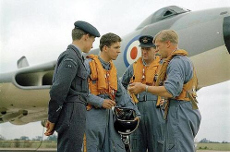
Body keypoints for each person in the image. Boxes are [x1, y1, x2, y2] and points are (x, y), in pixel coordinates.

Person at [128, 30, 201, 152]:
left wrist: (144, 87)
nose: (156, 50)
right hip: (184, 108)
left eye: (157, 46)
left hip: (180, 111)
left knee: (178, 148)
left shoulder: (176, 62)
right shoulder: (182, 61)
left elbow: (171, 90)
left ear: (168, 43)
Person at [44, 20, 100, 152]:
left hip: (75, 112)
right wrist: (52, 118)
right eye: (92, 40)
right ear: (85, 37)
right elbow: (58, 90)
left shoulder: (76, 57)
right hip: (72, 113)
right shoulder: (70, 57)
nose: (92, 45)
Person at [84, 32, 140, 152]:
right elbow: (79, 92)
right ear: (105, 48)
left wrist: (136, 114)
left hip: (109, 118)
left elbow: (122, 95)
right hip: (91, 117)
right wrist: (100, 102)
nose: (119, 51)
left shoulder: (112, 70)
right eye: (116, 47)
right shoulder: (88, 65)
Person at [121, 35, 165, 152]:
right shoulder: (133, 67)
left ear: (155, 49)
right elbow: (121, 86)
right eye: (143, 49)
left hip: (156, 110)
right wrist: (127, 103)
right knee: (136, 145)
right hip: (137, 109)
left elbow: (172, 88)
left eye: (147, 49)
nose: (144, 52)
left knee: (158, 144)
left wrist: (166, 100)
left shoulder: (163, 66)